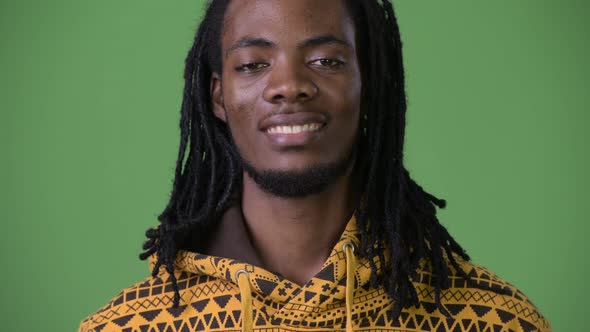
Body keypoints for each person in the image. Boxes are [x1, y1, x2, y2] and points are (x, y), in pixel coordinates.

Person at [78, 0, 551, 331]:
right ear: (218, 97)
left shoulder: (491, 320)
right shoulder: (131, 326)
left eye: (326, 60)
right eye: (252, 64)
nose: (289, 85)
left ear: (368, 85)